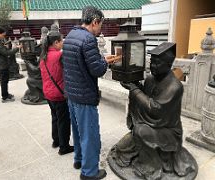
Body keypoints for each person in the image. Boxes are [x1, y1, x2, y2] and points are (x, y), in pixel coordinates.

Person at [110, 42, 198, 179]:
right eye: (152, 62)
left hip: (166, 130)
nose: (153, 66)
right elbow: (143, 96)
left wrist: (135, 90)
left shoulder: (175, 86)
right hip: (148, 124)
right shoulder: (151, 78)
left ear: (168, 64)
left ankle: (151, 166)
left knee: (140, 132)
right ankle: (140, 148)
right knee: (121, 148)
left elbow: (156, 108)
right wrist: (133, 84)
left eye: (157, 64)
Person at [62, 5, 115, 180]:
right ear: (94, 22)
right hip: (84, 96)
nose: (100, 29)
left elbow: (79, 64)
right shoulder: (88, 39)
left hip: (71, 93)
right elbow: (97, 70)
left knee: (77, 131)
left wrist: (100, 59)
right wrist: (106, 62)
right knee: (90, 135)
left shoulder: (70, 36)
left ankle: (79, 160)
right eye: (100, 25)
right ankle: (89, 172)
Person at [39, 31, 74, 155]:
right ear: (56, 42)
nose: (63, 42)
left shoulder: (43, 56)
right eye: (61, 40)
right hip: (59, 94)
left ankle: (56, 141)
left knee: (55, 117)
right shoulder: (59, 56)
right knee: (63, 120)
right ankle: (64, 147)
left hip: (48, 93)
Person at [0, 26, 20, 102]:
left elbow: (1, 50)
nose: (3, 37)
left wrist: (3, 46)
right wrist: (17, 48)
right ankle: (5, 97)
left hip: (2, 63)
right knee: (4, 81)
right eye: (3, 35)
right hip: (2, 64)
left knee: (5, 80)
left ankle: (6, 94)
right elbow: (6, 53)